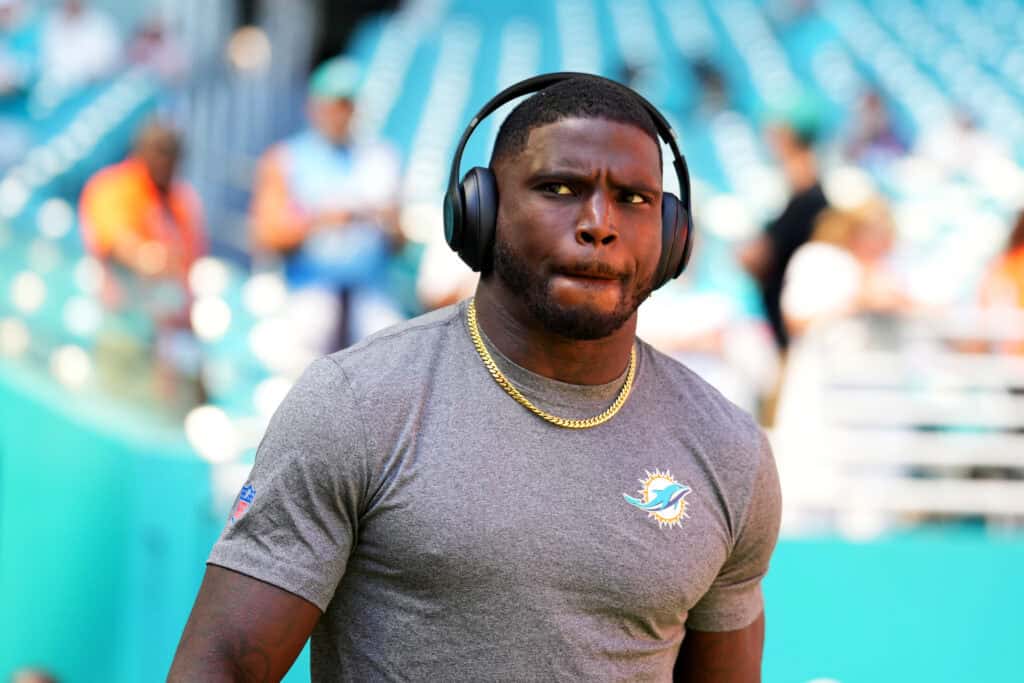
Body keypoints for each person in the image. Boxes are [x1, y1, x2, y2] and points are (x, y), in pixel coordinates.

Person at [170, 74, 781, 682]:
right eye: (560, 188)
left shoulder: (728, 450)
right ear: (480, 213)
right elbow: (221, 666)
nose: (600, 223)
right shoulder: (356, 405)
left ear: (674, 237)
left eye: (634, 199)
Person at [250, 55, 404, 351]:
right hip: (308, 290)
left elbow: (399, 242)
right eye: (333, 104)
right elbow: (266, 235)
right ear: (314, 107)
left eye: (346, 104)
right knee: (304, 341)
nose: (340, 113)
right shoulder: (286, 158)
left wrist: (383, 219)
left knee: (393, 349)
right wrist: (321, 220)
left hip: (369, 293)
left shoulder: (381, 158)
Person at [738, 120, 828, 352]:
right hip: (784, 318)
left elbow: (757, 258)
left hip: (794, 321)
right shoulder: (795, 200)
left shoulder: (808, 202)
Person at [781, 199, 913, 339]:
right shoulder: (820, 259)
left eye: (885, 233)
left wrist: (901, 304)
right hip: (824, 356)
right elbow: (795, 323)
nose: (877, 241)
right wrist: (858, 303)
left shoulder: (889, 270)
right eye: (870, 231)